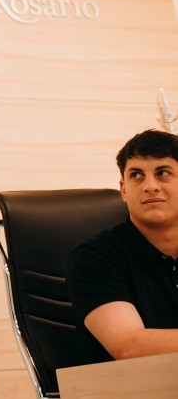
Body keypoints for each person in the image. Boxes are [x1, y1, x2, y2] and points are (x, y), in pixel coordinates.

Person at [67, 129, 178, 361]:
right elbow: (129, 347)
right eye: (136, 175)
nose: (150, 186)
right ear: (124, 190)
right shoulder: (94, 258)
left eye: (163, 173)